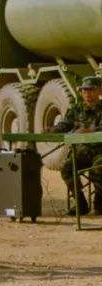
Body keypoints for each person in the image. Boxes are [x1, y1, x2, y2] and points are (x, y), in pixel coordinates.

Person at [50, 75, 102, 216]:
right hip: (81, 152)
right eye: (84, 90)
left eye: (91, 90)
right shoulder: (77, 108)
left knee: (98, 168)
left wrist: (88, 131)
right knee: (67, 168)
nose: (87, 93)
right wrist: (53, 129)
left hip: (99, 152)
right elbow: (65, 124)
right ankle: (81, 204)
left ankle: (99, 204)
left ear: (100, 91)